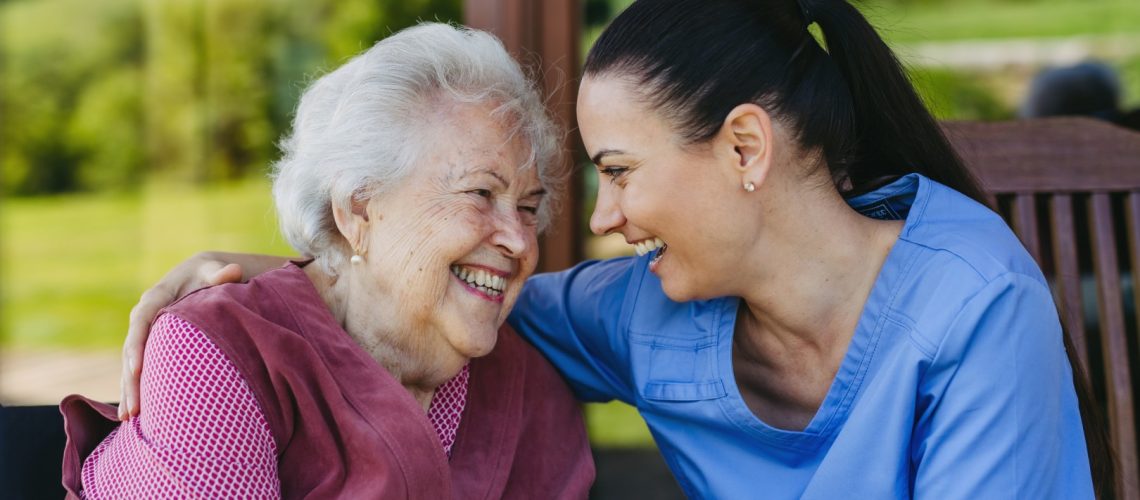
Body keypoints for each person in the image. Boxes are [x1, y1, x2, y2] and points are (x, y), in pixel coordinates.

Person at [120, 1, 1104, 498]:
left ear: (746, 148)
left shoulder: (973, 306)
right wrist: (288, 272)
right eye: (485, 194)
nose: (600, 219)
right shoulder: (646, 312)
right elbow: (427, 293)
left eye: (618, 171)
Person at [61, 23, 593, 499]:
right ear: (358, 208)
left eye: (528, 208)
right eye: (480, 193)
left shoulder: (530, 382)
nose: (520, 242)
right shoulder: (219, 354)